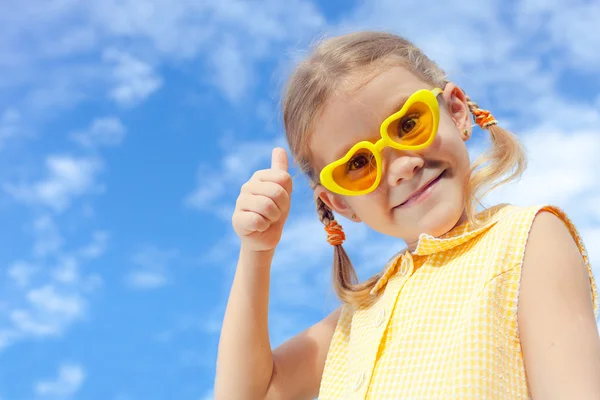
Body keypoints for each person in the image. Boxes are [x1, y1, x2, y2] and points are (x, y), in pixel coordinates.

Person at [214, 31, 600, 399]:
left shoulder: (525, 241)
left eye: (409, 123)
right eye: (359, 162)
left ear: (456, 111)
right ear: (342, 204)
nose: (400, 168)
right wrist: (257, 251)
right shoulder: (356, 321)